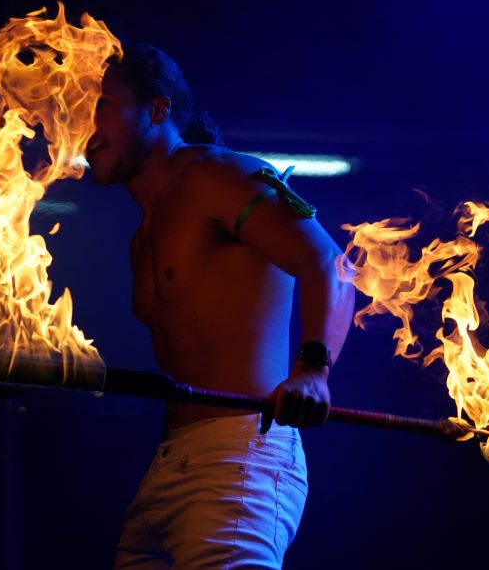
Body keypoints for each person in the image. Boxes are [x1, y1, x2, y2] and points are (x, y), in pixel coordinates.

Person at [88, 41, 355, 569]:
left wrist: (312, 371)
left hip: (239, 458)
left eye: (103, 106)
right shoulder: (141, 240)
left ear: (158, 110)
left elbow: (331, 265)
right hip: (168, 469)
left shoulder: (219, 175)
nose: (87, 130)